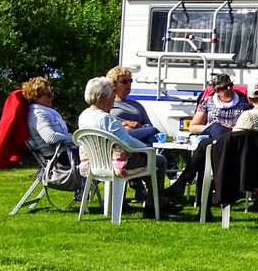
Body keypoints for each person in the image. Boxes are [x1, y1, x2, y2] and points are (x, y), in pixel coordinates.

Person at [77, 77, 180, 218]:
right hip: (115, 164)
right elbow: (127, 141)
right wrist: (147, 148)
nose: (114, 97)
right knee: (158, 160)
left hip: (94, 163)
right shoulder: (106, 119)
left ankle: (155, 202)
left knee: (151, 159)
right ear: (104, 97)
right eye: (111, 94)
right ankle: (153, 206)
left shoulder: (84, 116)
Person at [165, 74, 251, 199]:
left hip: (235, 141)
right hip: (217, 142)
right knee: (205, 148)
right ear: (216, 91)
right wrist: (211, 127)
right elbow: (193, 127)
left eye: (230, 85)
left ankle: (182, 183)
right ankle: (202, 208)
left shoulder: (243, 101)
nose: (228, 89)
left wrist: (232, 127)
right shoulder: (209, 101)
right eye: (224, 87)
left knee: (203, 147)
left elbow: (249, 124)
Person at [105, 66, 159, 144]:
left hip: (137, 137)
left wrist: (138, 126)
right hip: (120, 136)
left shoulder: (137, 105)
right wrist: (124, 124)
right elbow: (104, 122)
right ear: (114, 84)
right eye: (124, 82)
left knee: (152, 135)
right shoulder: (109, 103)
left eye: (130, 81)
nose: (129, 84)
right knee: (152, 131)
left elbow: (149, 125)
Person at [22, 77, 72, 155]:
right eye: (48, 95)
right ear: (35, 96)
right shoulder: (38, 115)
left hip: (64, 152)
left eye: (51, 93)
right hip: (58, 156)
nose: (51, 97)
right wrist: (74, 139)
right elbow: (50, 138)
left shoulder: (43, 112)